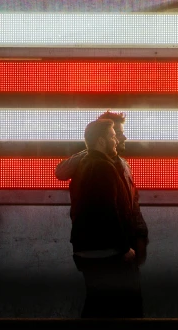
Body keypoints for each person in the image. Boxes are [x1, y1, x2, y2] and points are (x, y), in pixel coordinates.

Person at [68, 118, 144, 318]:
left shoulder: (83, 166)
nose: (117, 140)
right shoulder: (104, 168)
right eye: (112, 136)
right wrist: (123, 248)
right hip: (107, 252)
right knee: (124, 305)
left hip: (87, 249)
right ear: (101, 141)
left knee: (98, 303)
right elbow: (108, 211)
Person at [56, 111, 148, 264]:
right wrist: (93, 150)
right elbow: (107, 210)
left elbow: (133, 205)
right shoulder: (91, 164)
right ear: (102, 138)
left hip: (119, 245)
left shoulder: (123, 166)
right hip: (106, 248)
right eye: (115, 134)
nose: (122, 138)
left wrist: (140, 236)